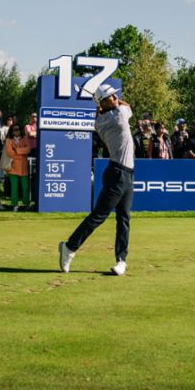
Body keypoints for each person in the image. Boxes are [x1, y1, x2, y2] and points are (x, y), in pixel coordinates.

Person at [59, 84, 133, 276]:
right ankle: (69, 247)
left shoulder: (100, 120)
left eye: (115, 95)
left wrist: (101, 104)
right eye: (111, 96)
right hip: (118, 173)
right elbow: (127, 105)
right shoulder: (118, 115)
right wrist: (105, 103)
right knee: (99, 216)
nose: (116, 97)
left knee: (123, 218)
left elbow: (120, 105)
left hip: (125, 173)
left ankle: (121, 260)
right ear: (104, 102)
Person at [4, 123, 31, 211]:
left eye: (19, 129)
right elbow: (9, 152)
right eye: (15, 129)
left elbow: (28, 149)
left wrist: (16, 150)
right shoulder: (8, 140)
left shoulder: (25, 138)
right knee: (14, 187)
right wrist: (21, 152)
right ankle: (15, 204)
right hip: (13, 167)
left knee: (25, 186)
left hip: (24, 167)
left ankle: (26, 203)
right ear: (12, 131)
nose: (17, 131)